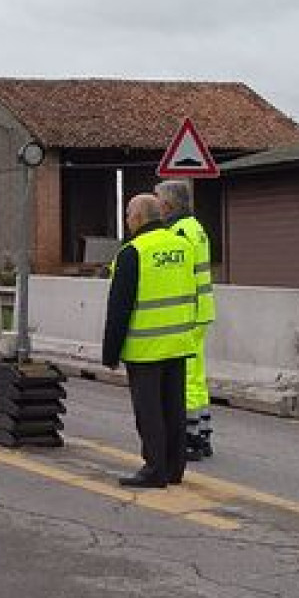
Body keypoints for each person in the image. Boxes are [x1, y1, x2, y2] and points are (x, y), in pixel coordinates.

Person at [101, 194, 197, 489]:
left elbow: (119, 308)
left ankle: (154, 468)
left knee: (149, 410)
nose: (127, 221)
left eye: (128, 215)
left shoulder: (133, 253)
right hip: (178, 341)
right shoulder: (183, 246)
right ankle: (174, 468)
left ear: (139, 218)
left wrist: (110, 353)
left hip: (145, 347)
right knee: (174, 408)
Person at [155, 179, 215, 460]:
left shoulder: (179, 232)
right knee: (198, 376)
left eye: (157, 200)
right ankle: (203, 432)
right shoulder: (196, 228)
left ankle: (189, 438)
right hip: (202, 310)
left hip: (188, 312)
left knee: (187, 378)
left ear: (167, 204)